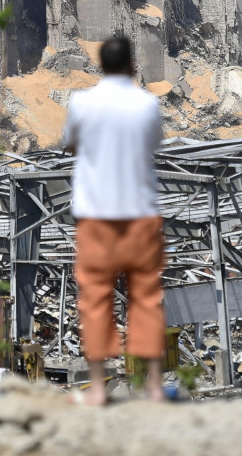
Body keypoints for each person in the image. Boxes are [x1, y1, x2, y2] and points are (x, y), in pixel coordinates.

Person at [62, 36, 165, 406]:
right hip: (140, 214)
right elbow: (154, 145)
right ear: (132, 65)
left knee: (95, 298)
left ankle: (99, 389)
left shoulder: (81, 102)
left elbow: (70, 144)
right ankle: (153, 387)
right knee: (146, 298)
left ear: (100, 66)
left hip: (96, 216)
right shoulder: (147, 104)